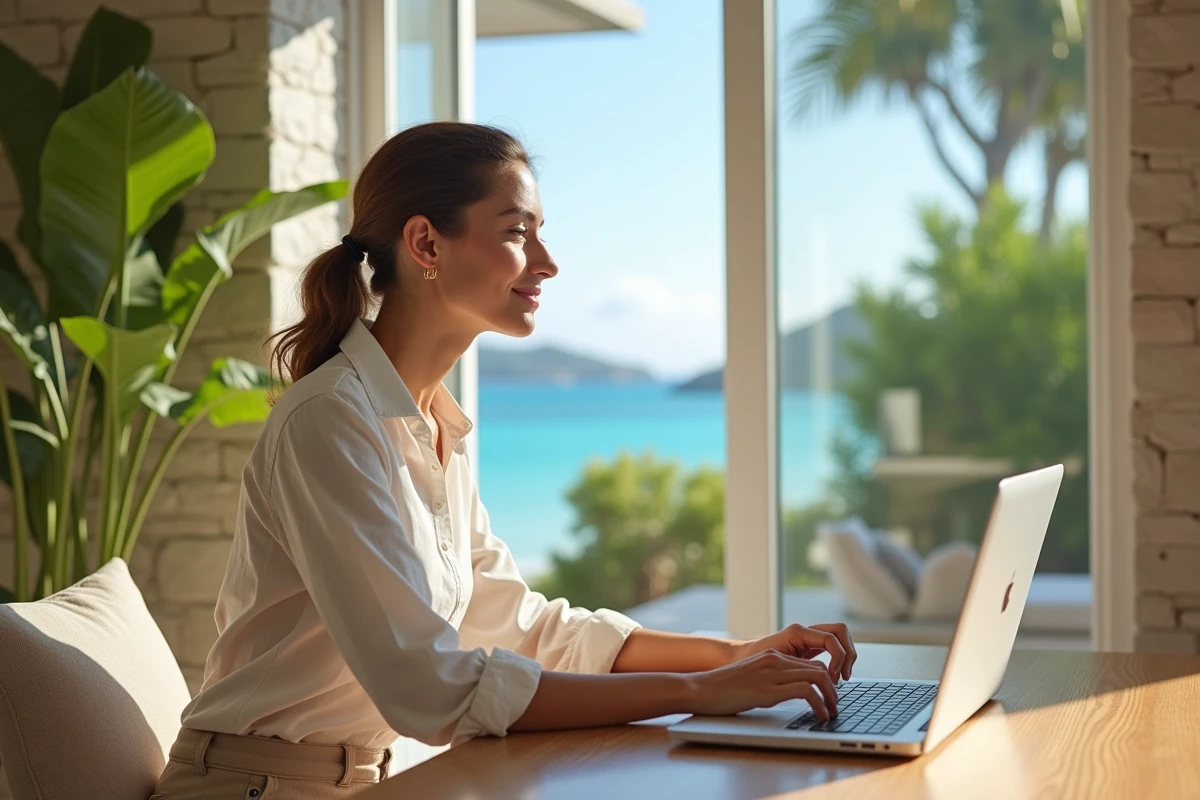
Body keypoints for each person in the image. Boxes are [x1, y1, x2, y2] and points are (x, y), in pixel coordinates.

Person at [151, 122, 856, 799]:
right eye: (518, 233)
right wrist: (700, 695)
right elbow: (429, 686)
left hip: (372, 779)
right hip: (252, 788)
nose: (547, 262)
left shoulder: (433, 426)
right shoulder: (329, 420)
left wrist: (735, 655)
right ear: (425, 242)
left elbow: (520, 625)